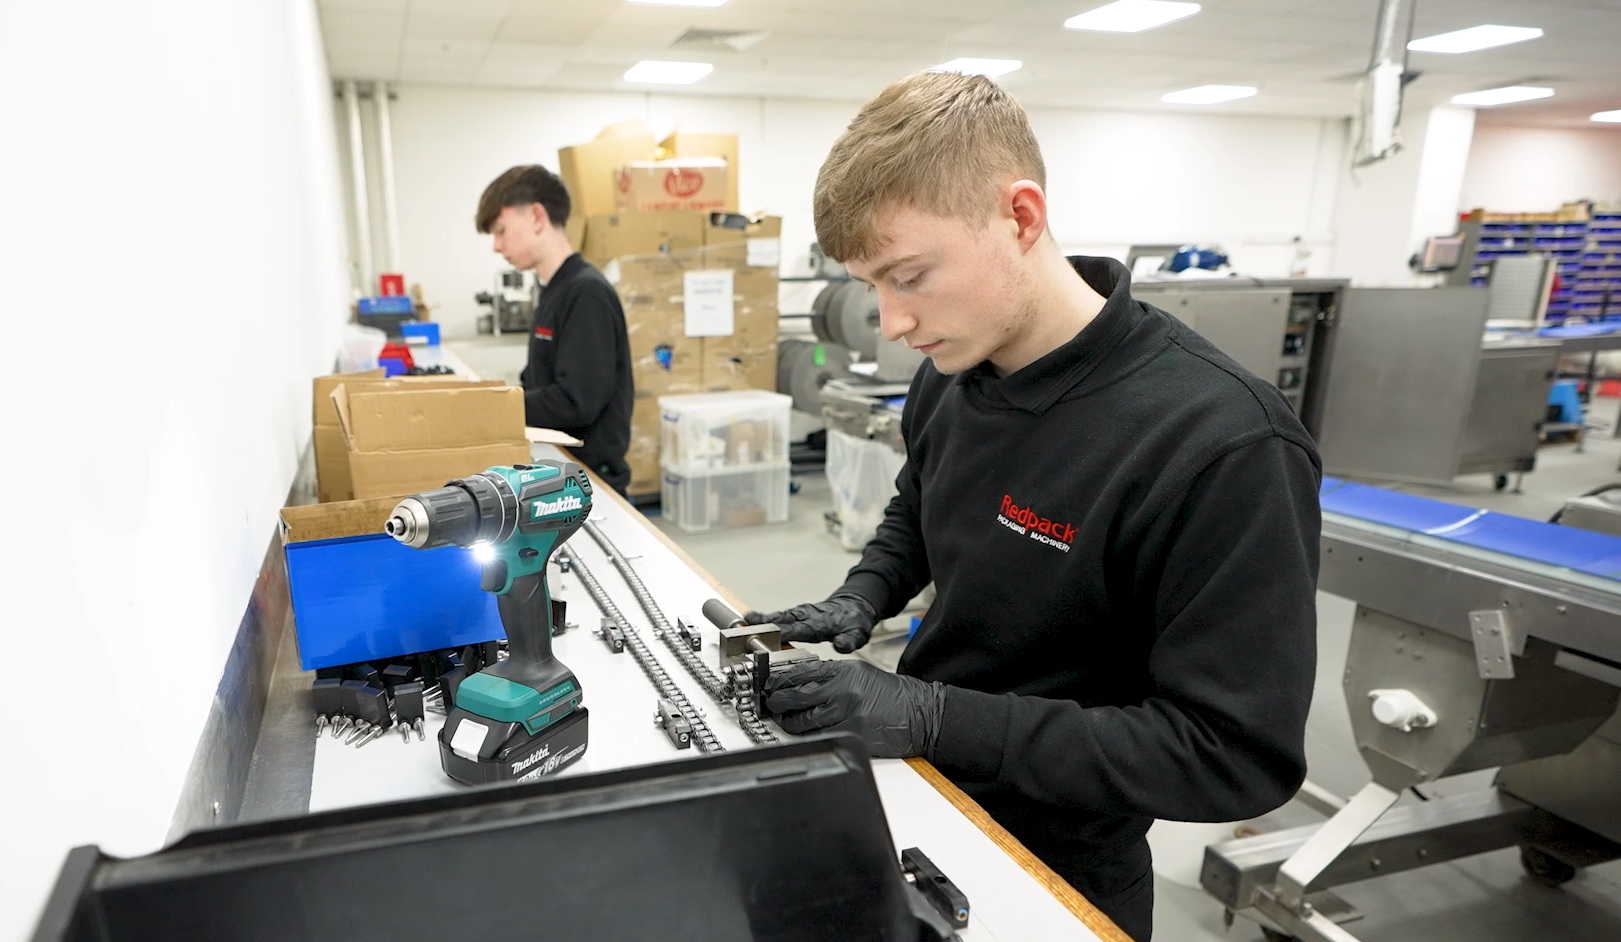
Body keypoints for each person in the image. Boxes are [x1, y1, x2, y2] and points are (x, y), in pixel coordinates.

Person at [749, 72, 1320, 941]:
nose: (891, 321)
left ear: (1019, 218)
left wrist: (935, 715)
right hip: (917, 791)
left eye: (908, 275)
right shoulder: (957, 369)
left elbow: (1229, 756)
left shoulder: (1221, 445)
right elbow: (921, 503)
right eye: (871, 286)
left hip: (1057, 864)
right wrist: (863, 594)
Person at [476, 166, 633, 493]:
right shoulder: (552, 290)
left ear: (536, 217)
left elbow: (577, 401)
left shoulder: (585, 294)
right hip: (558, 470)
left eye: (501, 230)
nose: (495, 245)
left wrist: (496, 409)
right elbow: (537, 376)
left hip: (590, 484)